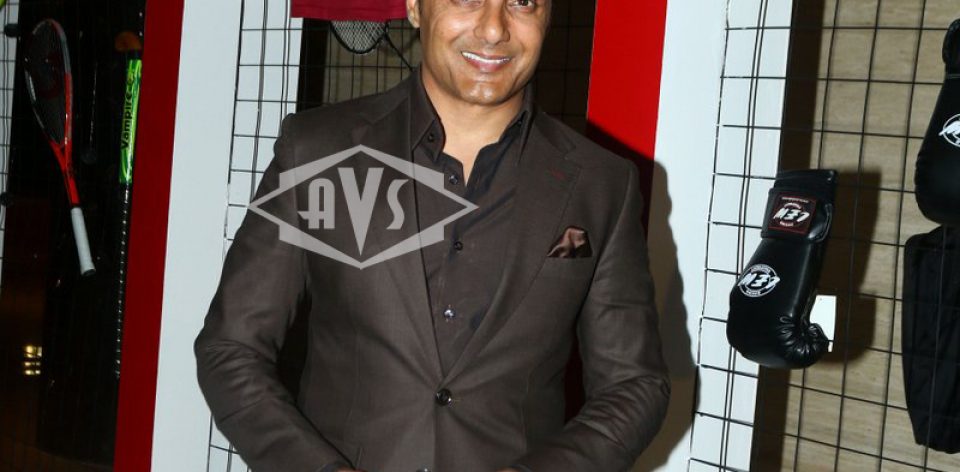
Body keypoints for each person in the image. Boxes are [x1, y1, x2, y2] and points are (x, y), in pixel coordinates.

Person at [194, 0, 670, 471]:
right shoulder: (319, 152)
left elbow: (634, 386)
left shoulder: (601, 184)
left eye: (522, 2)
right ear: (415, 7)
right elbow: (231, 349)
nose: (493, 29)